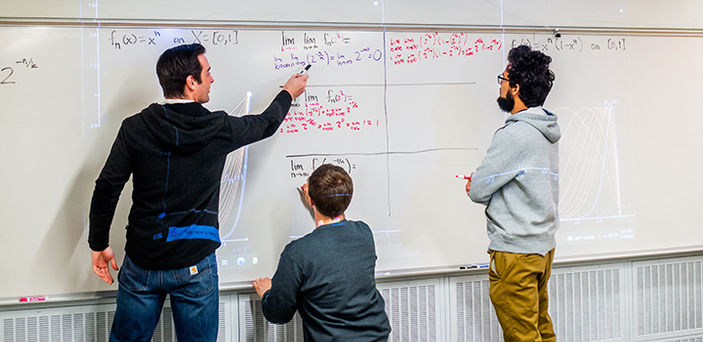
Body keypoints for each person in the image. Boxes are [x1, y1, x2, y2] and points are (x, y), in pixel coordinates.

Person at [88, 43, 308, 341]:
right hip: (195, 263)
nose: (212, 80)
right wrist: (288, 93)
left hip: (143, 261)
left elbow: (107, 186)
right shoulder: (217, 128)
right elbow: (265, 124)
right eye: (208, 73)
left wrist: (98, 242)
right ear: (191, 82)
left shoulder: (136, 127)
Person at [465, 45, 559, 342]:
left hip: (515, 253)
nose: (501, 85)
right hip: (541, 249)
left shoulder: (515, 134)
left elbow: (479, 189)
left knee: (523, 336)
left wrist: (473, 184)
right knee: (540, 330)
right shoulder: (546, 130)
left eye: (503, 80)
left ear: (516, 88)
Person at [252, 164, 391, 341]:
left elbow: (278, 314)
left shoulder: (298, 253)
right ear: (348, 199)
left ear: (310, 200)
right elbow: (330, 235)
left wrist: (266, 293)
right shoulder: (364, 234)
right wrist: (317, 203)